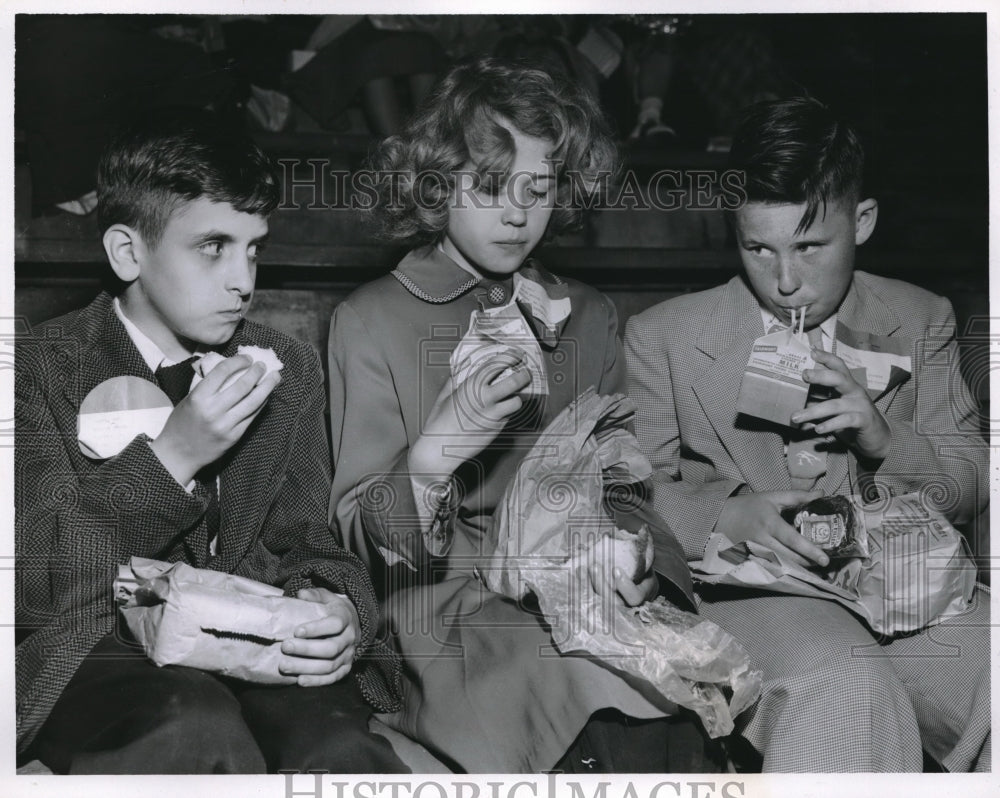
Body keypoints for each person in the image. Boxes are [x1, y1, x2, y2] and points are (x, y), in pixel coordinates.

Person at [327, 58, 718, 773]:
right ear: (436, 185)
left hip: (580, 593)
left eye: (538, 189)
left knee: (672, 695)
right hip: (436, 610)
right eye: (489, 186)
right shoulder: (371, 318)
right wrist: (430, 459)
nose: (516, 213)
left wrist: (637, 561)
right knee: (605, 693)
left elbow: (626, 484)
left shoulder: (591, 316)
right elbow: (355, 531)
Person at [15, 108, 407, 774]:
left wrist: (339, 605)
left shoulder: (284, 365)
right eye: (213, 247)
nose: (243, 280)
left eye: (254, 248)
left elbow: (306, 537)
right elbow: (33, 579)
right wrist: (173, 457)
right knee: (193, 727)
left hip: (251, 640)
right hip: (96, 649)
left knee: (341, 751)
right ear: (127, 252)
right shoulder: (37, 368)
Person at [624, 96, 990, 772]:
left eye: (811, 247)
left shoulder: (920, 316)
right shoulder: (664, 336)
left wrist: (885, 441)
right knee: (846, 686)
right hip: (750, 597)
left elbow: (971, 484)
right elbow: (629, 491)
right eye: (757, 247)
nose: (786, 281)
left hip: (902, 584)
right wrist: (724, 514)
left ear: (865, 220)